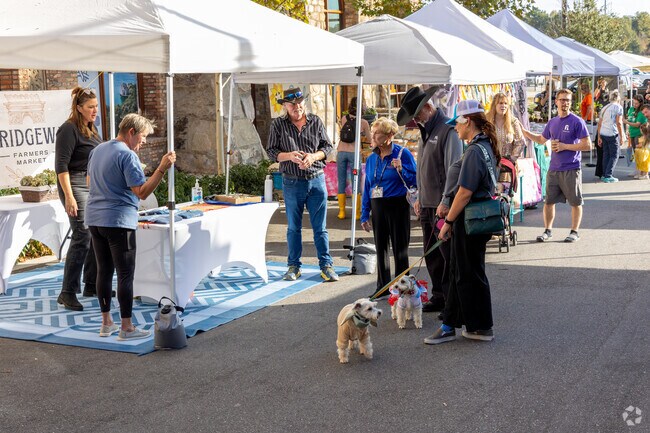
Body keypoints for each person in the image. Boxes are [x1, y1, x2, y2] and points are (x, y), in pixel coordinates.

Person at [86, 114, 176, 339]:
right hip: (118, 220)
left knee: (104, 271)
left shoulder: (98, 149)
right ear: (131, 133)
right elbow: (142, 192)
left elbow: (89, 183)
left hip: (95, 218)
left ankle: (107, 323)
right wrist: (162, 168)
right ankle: (127, 327)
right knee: (125, 274)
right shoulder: (127, 155)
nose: (144, 142)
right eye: (143, 136)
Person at [423, 100, 499, 345]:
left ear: (467, 121)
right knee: (466, 272)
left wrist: (448, 221)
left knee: (465, 274)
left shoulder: (476, 150)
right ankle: (463, 324)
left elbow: (465, 192)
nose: (454, 128)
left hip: (468, 220)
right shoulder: (482, 146)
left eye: (456, 122)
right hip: (475, 220)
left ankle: (469, 326)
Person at [396, 86, 462, 313]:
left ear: (427, 107)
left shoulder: (448, 130)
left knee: (446, 257)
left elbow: (453, 169)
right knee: (431, 255)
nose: (415, 120)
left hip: (442, 207)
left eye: (417, 115)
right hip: (427, 204)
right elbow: (423, 169)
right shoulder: (426, 130)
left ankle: (452, 300)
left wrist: (446, 201)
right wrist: (419, 197)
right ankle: (439, 296)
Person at [266, 88, 339, 282]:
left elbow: (327, 147)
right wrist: (289, 156)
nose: (297, 107)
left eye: (299, 103)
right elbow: (272, 151)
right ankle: (293, 266)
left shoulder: (315, 121)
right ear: (285, 107)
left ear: (304, 103)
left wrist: (313, 156)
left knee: (320, 228)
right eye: (292, 104)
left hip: (316, 179)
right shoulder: (278, 125)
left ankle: (326, 265)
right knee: (293, 228)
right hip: (292, 181)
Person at [522, 88, 592, 242]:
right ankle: (547, 231)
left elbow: (587, 145)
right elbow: (541, 139)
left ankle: (574, 232)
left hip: (571, 168)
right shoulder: (552, 122)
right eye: (562, 100)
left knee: (575, 202)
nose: (564, 103)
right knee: (548, 202)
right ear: (556, 101)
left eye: (567, 100)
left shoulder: (577, 121)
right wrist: (524, 131)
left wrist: (564, 146)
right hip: (554, 169)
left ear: (570, 102)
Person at [54, 87, 101, 311]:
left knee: (95, 231)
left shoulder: (91, 129)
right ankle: (67, 292)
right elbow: (61, 167)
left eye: (96, 106)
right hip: (73, 183)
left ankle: (91, 284)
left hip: (89, 183)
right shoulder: (68, 129)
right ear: (79, 108)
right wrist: (70, 197)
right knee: (82, 233)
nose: (95, 110)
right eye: (91, 107)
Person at [360, 117, 416, 298]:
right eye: (373, 132)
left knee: (400, 249)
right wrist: (364, 214)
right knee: (381, 247)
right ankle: (382, 287)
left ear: (389, 136)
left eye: (377, 133)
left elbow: (415, 180)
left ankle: (404, 287)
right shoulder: (371, 158)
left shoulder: (402, 154)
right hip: (378, 205)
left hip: (397, 204)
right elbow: (367, 187)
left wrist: (402, 170)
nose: (373, 136)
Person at [336, 97, 370, 220]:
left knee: (341, 180)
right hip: (354, 155)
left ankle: (342, 212)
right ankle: (356, 213)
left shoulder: (344, 118)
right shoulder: (364, 122)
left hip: (341, 153)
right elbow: (370, 140)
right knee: (356, 179)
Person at [486, 92, 526, 161]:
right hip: (490, 163)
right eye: (500, 103)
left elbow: (521, 142)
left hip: (507, 165)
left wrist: (512, 159)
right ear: (494, 105)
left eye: (505, 103)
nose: (503, 106)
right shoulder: (487, 121)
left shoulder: (513, 122)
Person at [595, 90, 625, 181]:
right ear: (618, 98)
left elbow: (599, 123)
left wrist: (599, 136)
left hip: (603, 133)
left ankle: (604, 174)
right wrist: (622, 135)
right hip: (612, 133)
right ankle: (608, 175)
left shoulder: (605, 107)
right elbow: (619, 122)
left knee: (606, 154)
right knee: (614, 155)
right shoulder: (618, 107)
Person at [623, 95, 647, 170]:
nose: (634, 105)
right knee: (635, 152)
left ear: (640, 103)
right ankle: (637, 169)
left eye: (636, 103)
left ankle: (642, 170)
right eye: (633, 103)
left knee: (640, 152)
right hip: (632, 133)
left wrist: (626, 122)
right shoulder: (631, 109)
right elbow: (629, 118)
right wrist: (627, 130)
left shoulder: (641, 112)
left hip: (639, 134)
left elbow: (637, 124)